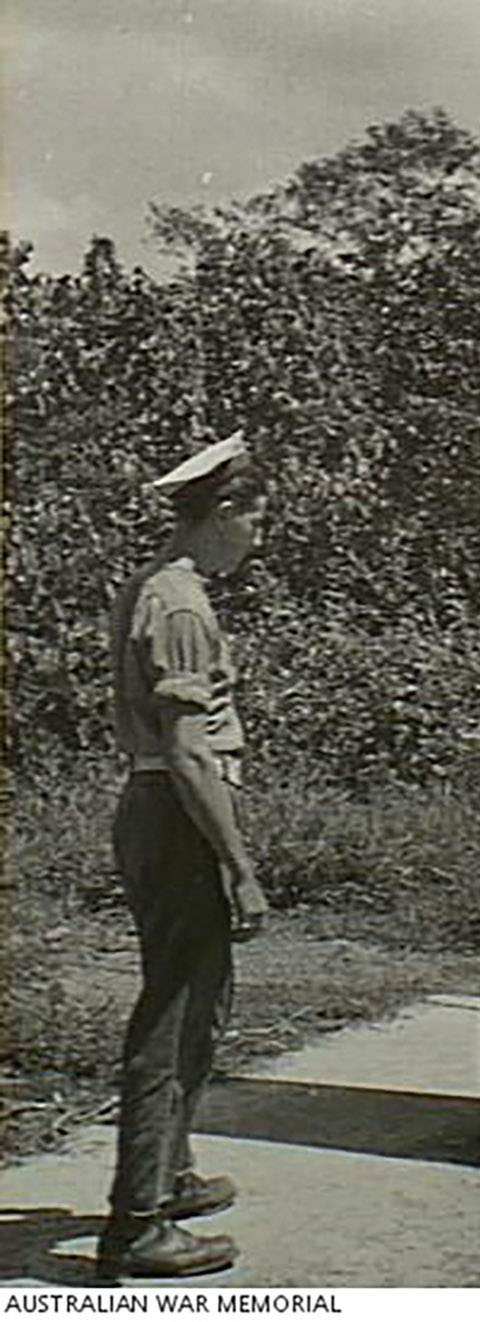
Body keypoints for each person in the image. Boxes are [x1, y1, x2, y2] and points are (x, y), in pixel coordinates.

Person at [97, 432, 270, 1281]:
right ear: (225, 512)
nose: (258, 537)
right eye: (255, 518)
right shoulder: (182, 605)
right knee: (171, 1020)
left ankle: (169, 1173)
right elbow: (192, 751)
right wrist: (240, 865)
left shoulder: (154, 586)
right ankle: (138, 1227)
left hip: (164, 807)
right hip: (180, 813)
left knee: (197, 1007)